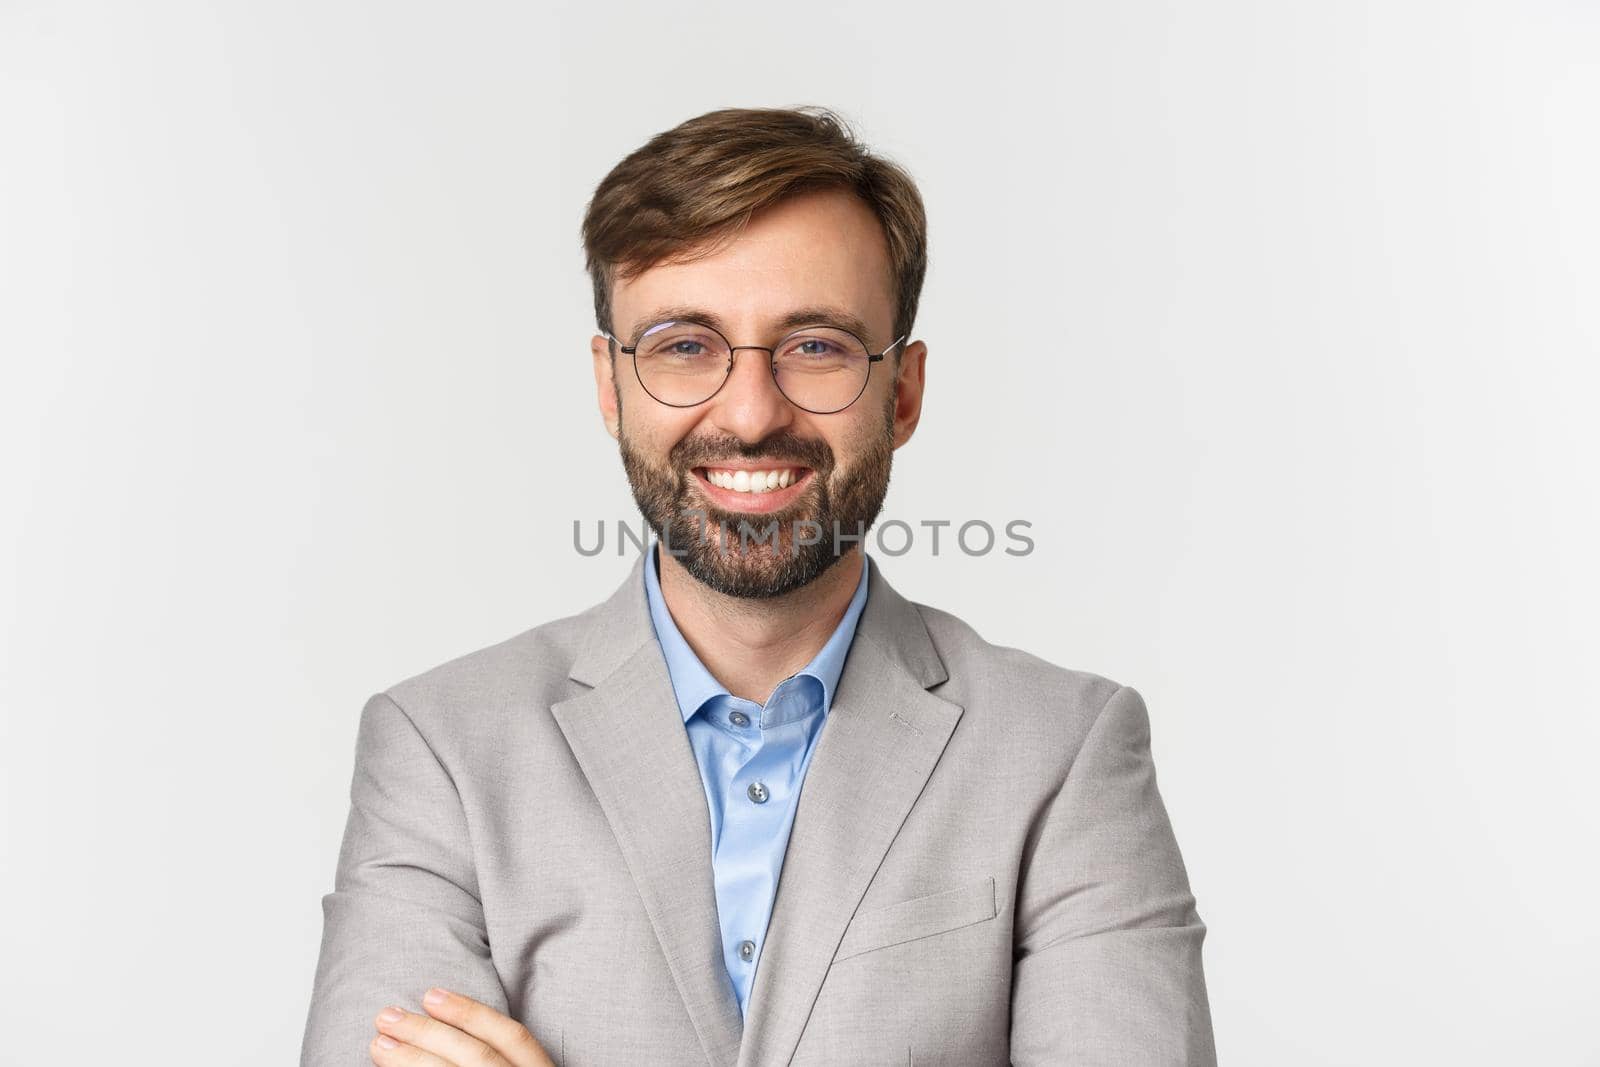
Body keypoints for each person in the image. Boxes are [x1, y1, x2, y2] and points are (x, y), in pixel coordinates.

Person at [300, 105, 1216, 1067]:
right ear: (612, 387)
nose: (748, 412)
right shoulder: (439, 750)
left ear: (901, 393)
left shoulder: (1064, 753)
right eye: (684, 345)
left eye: (816, 344)